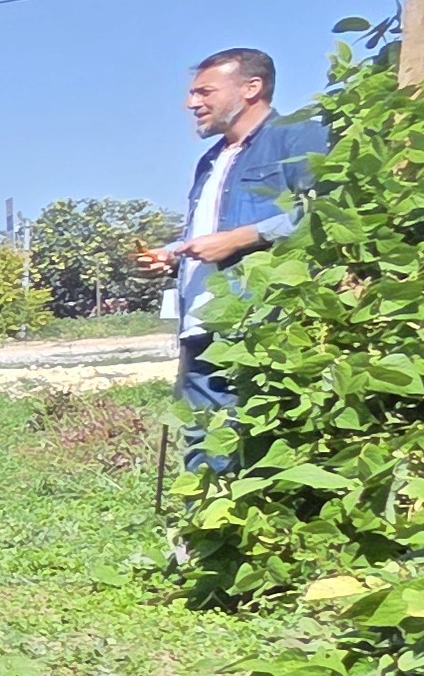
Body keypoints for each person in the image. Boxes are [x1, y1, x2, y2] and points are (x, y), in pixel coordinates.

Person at [129, 47, 326, 471]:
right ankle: (204, 533)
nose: (191, 103)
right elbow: (209, 235)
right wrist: (174, 255)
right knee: (205, 439)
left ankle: (252, 532)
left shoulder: (296, 137)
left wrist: (242, 237)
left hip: (257, 324)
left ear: (251, 88)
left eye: (204, 91)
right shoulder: (211, 160)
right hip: (202, 325)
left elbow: (328, 214)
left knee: (260, 441)